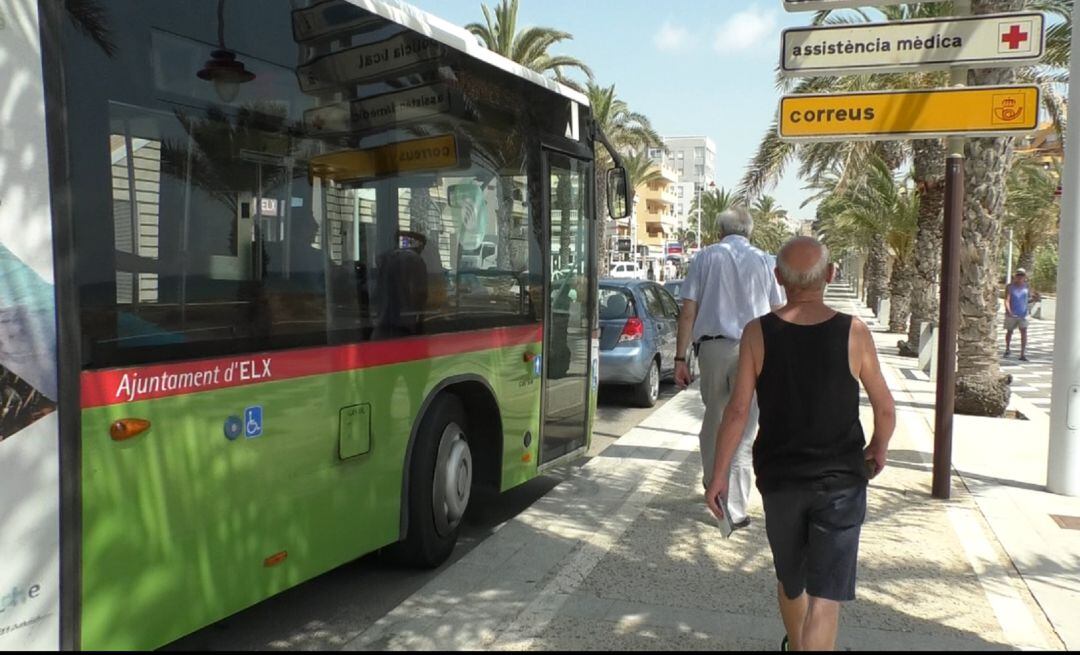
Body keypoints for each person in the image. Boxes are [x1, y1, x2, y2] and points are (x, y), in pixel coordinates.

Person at [706, 236, 896, 651]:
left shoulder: (758, 332)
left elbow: (737, 412)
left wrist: (717, 477)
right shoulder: (854, 332)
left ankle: (796, 645)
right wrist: (877, 449)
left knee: (791, 583)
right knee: (825, 599)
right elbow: (884, 406)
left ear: (778, 278)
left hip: (781, 481)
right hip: (841, 483)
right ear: (830, 275)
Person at [674, 206, 784, 528]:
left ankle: (714, 487)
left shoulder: (706, 257)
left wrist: (680, 358)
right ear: (749, 232)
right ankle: (734, 507)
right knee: (745, 427)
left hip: (712, 350)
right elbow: (779, 310)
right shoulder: (766, 261)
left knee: (715, 419)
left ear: (720, 231)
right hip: (754, 349)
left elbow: (688, 312)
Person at [1004, 268, 1032, 361]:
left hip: (1023, 314)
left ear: (1025, 277)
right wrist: (1009, 311)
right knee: (1009, 331)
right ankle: (1007, 349)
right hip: (1012, 313)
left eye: (1022, 275)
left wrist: (1035, 299)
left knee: (1024, 332)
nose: (1020, 277)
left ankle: (1022, 353)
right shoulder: (1010, 287)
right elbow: (1007, 300)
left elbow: (1028, 299)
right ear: (1015, 276)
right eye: (1018, 275)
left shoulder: (1027, 287)